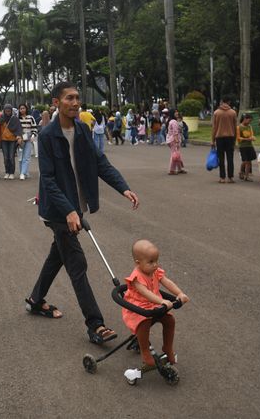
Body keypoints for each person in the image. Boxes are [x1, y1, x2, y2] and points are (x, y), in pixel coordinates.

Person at [26, 81, 140, 346]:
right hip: (57, 210)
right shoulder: (47, 135)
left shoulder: (83, 128)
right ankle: (95, 325)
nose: (75, 102)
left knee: (59, 255)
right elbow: (49, 179)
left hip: (74, 208)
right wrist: (68, 210)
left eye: (77, 98)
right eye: (69, 98)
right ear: (56, 102)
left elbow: (99, 162)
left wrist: (123, 188)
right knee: (77, 264)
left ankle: (35, 299)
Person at [122, 239, 189, 374]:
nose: (155, 265)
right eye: (151, 262)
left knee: (170, 320)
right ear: (138, 263)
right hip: (138, 307)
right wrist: (161, 301)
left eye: (156, 261)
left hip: (154, 304)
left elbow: (167, 282)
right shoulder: (136, 278)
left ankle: (167, 347)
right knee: (144, 323)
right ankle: (145, 352)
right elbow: (146, 293)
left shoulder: (155, 271)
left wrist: (180, 293)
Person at [211, 97, 238, 183]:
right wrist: (235, 139)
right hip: (230, 137)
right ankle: (231, 177)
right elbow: (235, 127)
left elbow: (214, 128)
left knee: (221, 158)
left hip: (219, 138)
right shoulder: (233, 112)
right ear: (229, 102)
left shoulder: (216, 112)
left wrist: (212, 140)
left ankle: (222, 178)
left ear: (222, 102)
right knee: (230, 158)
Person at [0, 104, 21, 179]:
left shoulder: (14, 118)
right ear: (4, 111)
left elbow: (19, 128)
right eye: (6, 111)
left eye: (9, 111)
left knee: (11, 157)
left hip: (12, 140)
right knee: (6, 157)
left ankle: (12, 172)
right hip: (4, 140)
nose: (8, 112)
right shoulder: (1, 119)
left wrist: (18, 136)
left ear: (11, 111)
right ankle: (7, 172)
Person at [18, 103, 37, 180]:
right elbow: (16, 129)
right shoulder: (17, 118)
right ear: (19, 110)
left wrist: (33, 135)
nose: (22, 110)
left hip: (29, 139)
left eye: (23, 108)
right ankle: (23, 172)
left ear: (26, 109)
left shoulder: (31, 118)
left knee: (26, 157)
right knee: (20, 157)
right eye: (21, 108)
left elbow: (34, 128)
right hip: (20, 139)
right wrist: (18, 137)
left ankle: (22, 173)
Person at [237, 113, 257, 182]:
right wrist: (246, 139)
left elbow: (252, 135)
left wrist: (253, 138)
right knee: (245, 161)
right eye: (249, 120)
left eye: (250, 121)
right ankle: (241, 172)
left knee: (249, 161)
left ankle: (247, 176)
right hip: (242, 146)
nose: (249, 122)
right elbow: (238, 138)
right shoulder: (239, 127)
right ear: (245, 119)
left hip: (249, 146)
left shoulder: (249, 126)